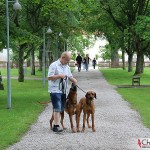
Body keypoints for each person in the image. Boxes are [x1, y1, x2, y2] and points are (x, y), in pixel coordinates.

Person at [48, 51, 77, 133]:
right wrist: (59, 76)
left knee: (60, 108)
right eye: (67, 60)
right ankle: (56, 126)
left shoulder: (66, 66)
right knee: (57, 107)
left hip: (64, 90)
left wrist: (73, 80)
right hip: (55, 90)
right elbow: (49, 77)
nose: (68, 62)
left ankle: (55, 124)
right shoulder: (54, 65)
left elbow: (69, 75)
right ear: (63, 57)